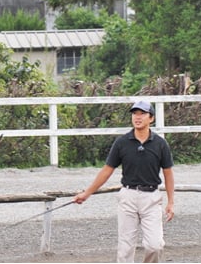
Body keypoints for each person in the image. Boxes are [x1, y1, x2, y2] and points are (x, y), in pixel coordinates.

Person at [74, 101, 175, 262]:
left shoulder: (160, 144)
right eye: (135, 113)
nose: (138, 117)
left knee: (155, 245)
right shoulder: (122, 143)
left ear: (151, 118)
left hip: (152, 197)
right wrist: (87, 193)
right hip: (128, 196)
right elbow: (107, 170)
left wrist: (170, 202)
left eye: (142, 113)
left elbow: (168, 174)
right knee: (126, 247)